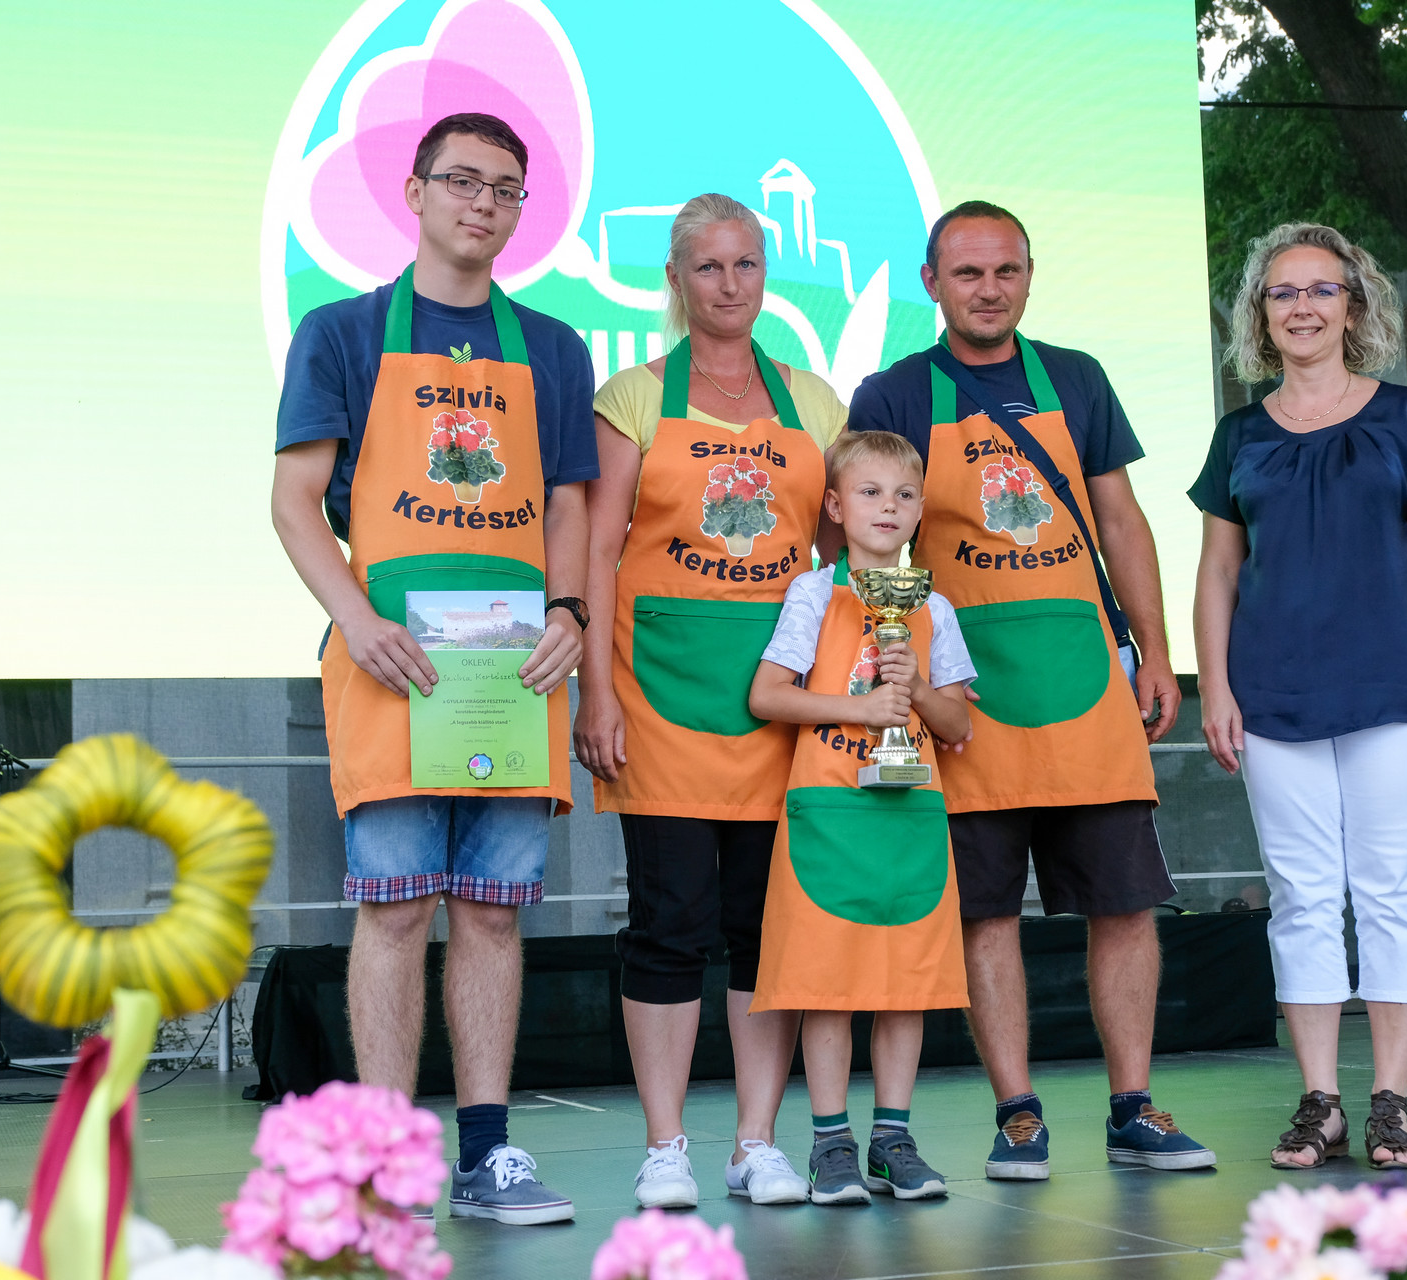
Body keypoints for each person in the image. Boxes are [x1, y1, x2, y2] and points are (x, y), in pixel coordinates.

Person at [271, 113, 596, 1224]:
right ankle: (382, 1165)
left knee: (494, 915)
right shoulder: (341, 332)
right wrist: (354, 618)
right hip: (392, 660)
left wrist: (571, 610)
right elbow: (294, 501)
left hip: (513, 666)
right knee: (397, 910)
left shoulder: (554, 347)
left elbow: (567, 502)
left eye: (506, 189)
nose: (484, 203)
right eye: (463, 180)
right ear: (413, 192)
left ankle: (487, 1154)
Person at [848, 201, 1213, 1179]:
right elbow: (860, 533)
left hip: (1086, 679)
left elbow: (1121, 521)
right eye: (968, 273)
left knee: (1125, 904)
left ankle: (1133, 1107)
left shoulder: (1077, 377)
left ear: (1028, 276)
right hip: (964, 693)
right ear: (932, 283)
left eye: (1006, 270)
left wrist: (1155, 651)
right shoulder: (893, 392)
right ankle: (1017, 1112)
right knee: (986, 913)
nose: (989, 289)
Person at [573, 194, 845, 1209]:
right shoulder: (632, 398)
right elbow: (595, 553)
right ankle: (666, 1146)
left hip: (782, 708)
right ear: (677, 280)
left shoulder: (815, 402)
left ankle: (757, 1142)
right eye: (709, 267)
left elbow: (839, 553)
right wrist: (596, 691)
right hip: (662, 698)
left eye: (746, 264)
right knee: (669, 924)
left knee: (766, 929)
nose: (730, 285)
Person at [1188, 222, 1407, 1172]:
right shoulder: (1239, 435)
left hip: (1394, 691)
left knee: (1391, 891)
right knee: (1302, 899)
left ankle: (1390, 1104)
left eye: (1320, 289)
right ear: (1260, 316)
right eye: (1283, 292)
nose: (1302, 306)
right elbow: (1217, 574)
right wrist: (1215, 687)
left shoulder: (1406, 417)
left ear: (1354, 306)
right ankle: (1322, 1104)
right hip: (1272, 699)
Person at [747, 429, 975, 1206]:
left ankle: (893, 1140)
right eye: (870, 492)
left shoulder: (934, 605)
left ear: (921, 510)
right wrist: (861, 707)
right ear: (837, 508)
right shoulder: (814, 594)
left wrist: (918, 688)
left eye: (904, 494)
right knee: (829, 984)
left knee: (906, 985)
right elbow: (767, 695)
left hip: (908, 821)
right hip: (831, 815)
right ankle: (830, 1143)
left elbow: (959, 724)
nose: (889, 506)